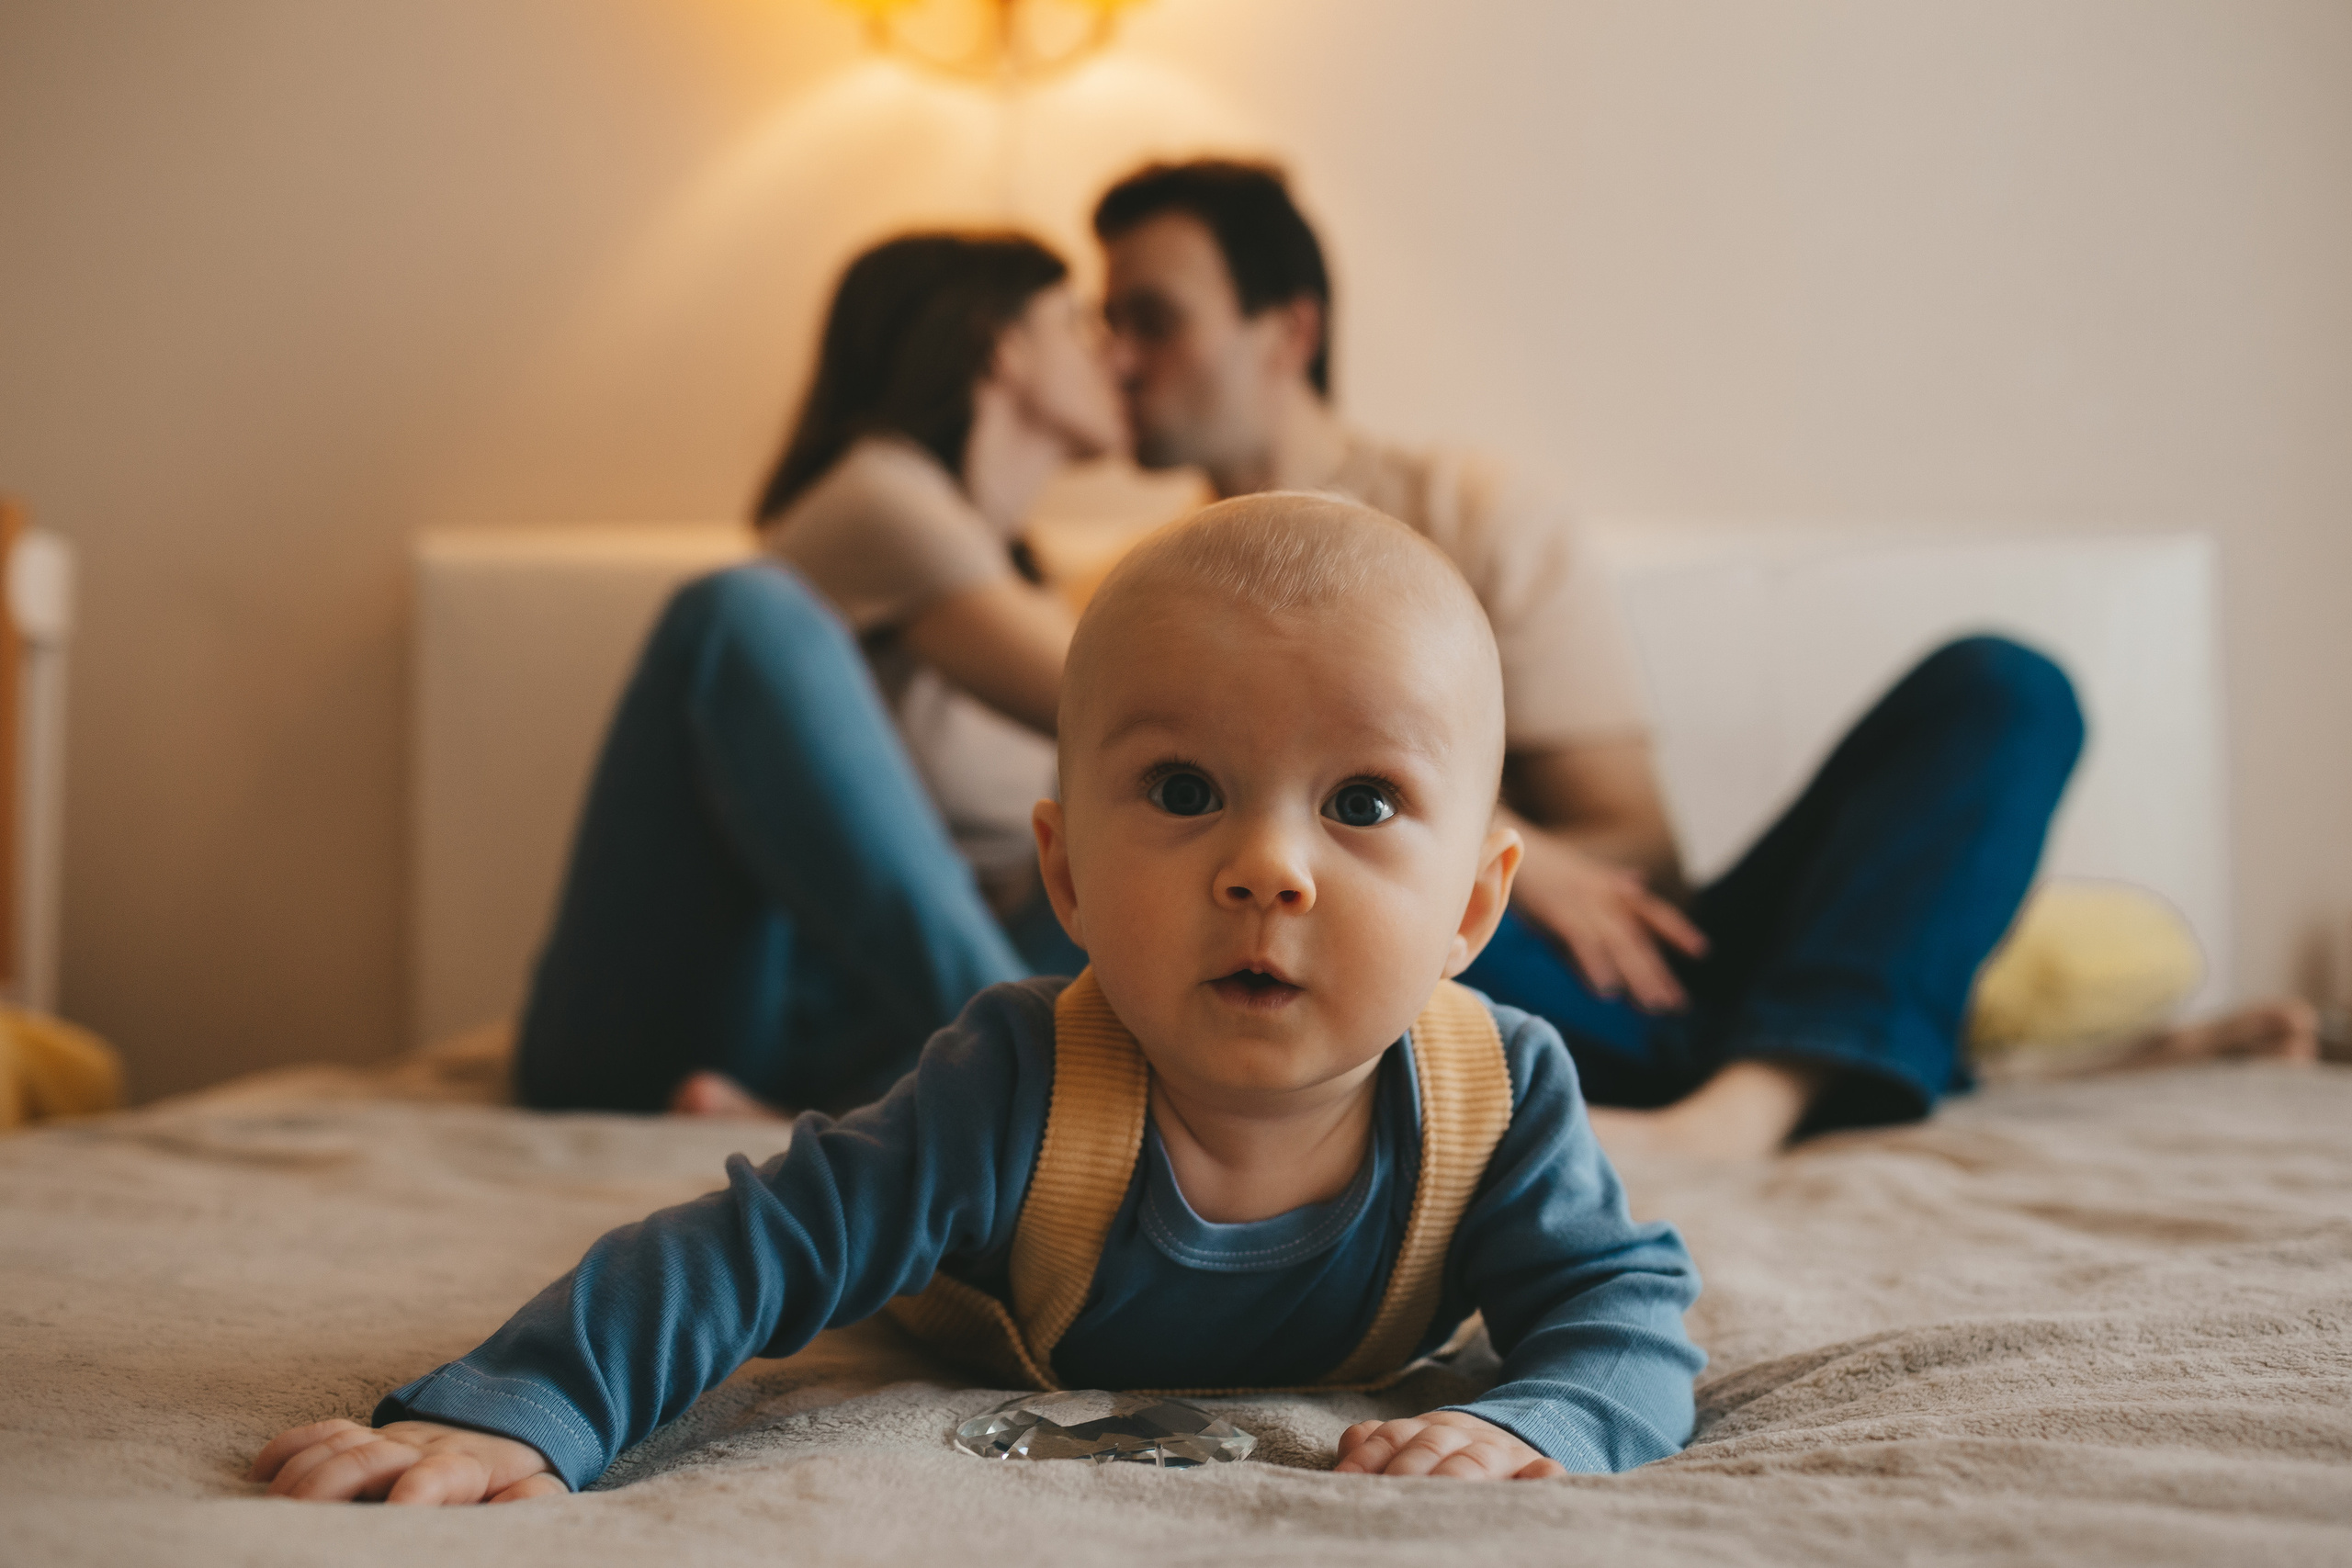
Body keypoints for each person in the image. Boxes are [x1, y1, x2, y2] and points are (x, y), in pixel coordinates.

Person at [248, 497, 1706, 1503]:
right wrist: (523, 1406)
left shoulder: (1500, 1094)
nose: (1270, 867)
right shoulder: (1011, 1082)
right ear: (1063, 875)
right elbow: (746, 1250)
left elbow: (1627, 1310)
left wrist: (1540, 1419)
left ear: (1474, 904)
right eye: (1185, 790)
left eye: (1365, 800)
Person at [1092, 159, 2106, 1156]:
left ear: (1288, 330)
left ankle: (1747, 1101)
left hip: (1613, 971)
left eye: (1152, 319)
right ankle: (1844, 1055)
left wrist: (1495, 853)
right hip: (1416, 984)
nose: (1117, 359)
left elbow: (1632, 848)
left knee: (2005, 690)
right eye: (1105, 327)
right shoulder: (1129, 597)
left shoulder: (1472, 510)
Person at [514, 231, 1121, 1118]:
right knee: (738, 611)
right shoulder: (881, 497)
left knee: (1122, 846)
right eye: (1078, 319)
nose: (1112, 349)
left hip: (865, 1036)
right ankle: (1036, 1087)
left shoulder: (1020, 573)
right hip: (714, 1015)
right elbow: (1138, 711)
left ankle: (896, 1115)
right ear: (1002, 343)